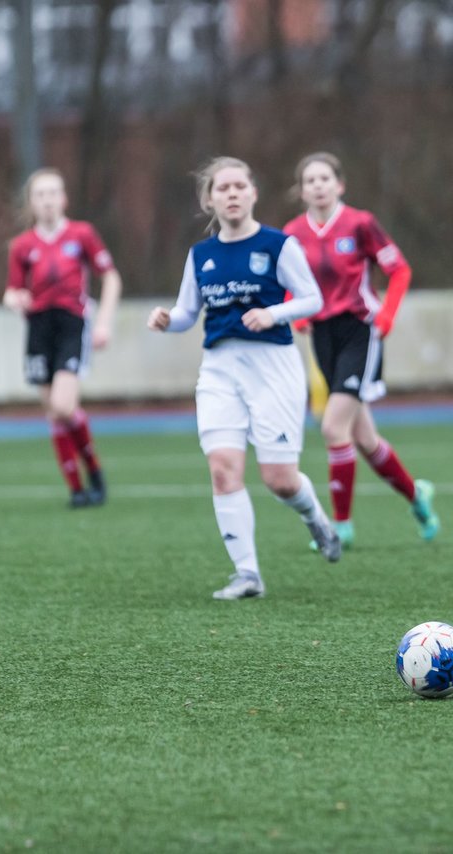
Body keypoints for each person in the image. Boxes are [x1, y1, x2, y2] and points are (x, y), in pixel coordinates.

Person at [147, 156, 341, 600]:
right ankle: (247, 574)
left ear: (253, 193)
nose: (232, 194)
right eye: (222, 188)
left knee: (279, 478)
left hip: (273, 367)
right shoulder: (201, 255)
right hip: (218, 369)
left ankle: (316, 520)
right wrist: (166, 319)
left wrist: (272, 312)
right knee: (222, 470)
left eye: (239, 186)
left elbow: (312, 299)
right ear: (209, 199)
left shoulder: (278, 245)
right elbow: (187, 313)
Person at [283, 152, 439, 550]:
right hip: (322, 335)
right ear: (301, 190)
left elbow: (399, 269)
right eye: (310, 180)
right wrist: (293, 310)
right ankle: (417, 498)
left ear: (340, 185)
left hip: (360, 331)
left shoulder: (360, 223)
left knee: (334, 427)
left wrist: (386, 316)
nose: (317, 185)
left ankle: (340, 527)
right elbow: (287, 280)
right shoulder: (293, 233)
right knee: (365, 439)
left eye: (324, 178)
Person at [4, 169, 122, 508]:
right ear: (31, 202)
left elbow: (110, 277)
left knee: (63, 405)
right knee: (53, 414)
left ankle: (94, 470)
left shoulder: (81, 234)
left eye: (54, 193)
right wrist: (15, 301)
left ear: (64, 198)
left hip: (72, 323)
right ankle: (76, 488)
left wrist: (104, 323)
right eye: (40, 195)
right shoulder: (22, 245)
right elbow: (12, 291)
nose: (48, 200)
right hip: (39, 327)